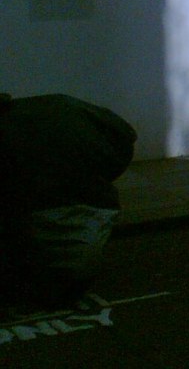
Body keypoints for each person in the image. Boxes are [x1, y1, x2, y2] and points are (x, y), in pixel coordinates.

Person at [0, 93, 136, 309]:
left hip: (66, 203)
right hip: (86, 195)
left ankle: (56, 284)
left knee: (58, 267)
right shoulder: (56, 107)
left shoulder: (16, 137)